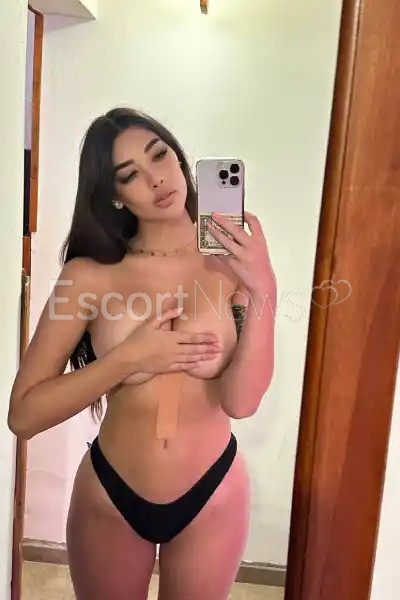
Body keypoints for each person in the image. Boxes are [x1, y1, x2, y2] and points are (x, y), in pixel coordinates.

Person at [8, 107, 276, 600]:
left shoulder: (233, 259)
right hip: (112, 495)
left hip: (212, 493)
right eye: (129, 175)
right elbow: (23, 415)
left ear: (179, 157)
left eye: (159, 155)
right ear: (114, 194)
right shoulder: (88, 276)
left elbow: (242, 402)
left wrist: (264, 287)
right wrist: (129, 359)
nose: (156, 179)